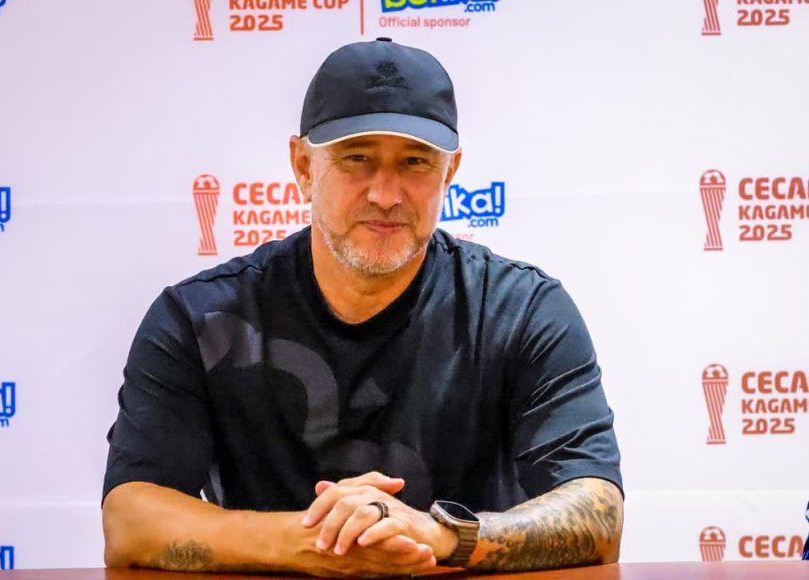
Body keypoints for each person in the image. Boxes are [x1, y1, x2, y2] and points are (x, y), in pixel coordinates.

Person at [102, 38, 624, 577]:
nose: (386, 194)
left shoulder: (523, 310)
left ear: (450, 172)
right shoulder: (201, 318)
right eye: (357, 158)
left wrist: (438, 535)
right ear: (303, 166)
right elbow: (129, 520)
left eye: (416, 162)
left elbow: (599, 512)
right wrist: (308, 541)